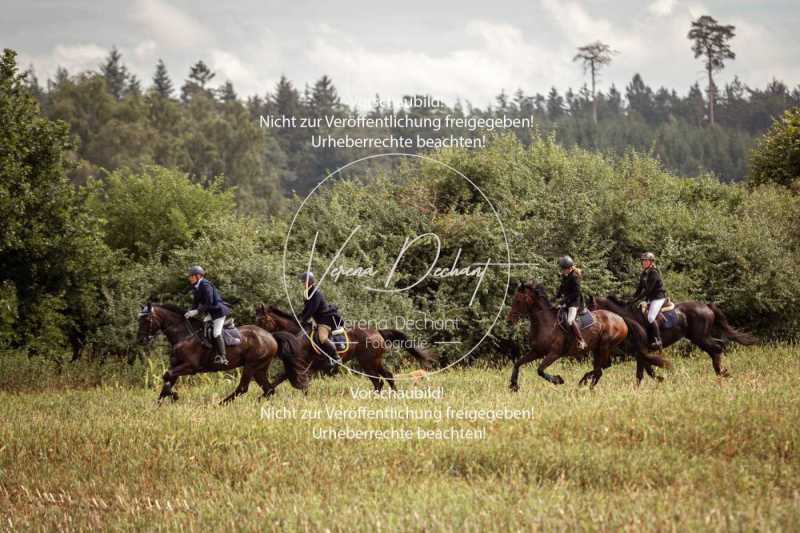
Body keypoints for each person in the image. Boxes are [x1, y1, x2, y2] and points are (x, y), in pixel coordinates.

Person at [184, 265, 231, 366]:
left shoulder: (205, 285)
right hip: (211, 313)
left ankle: (223, 357)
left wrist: (197, 311)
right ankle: (210, 351)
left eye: (191, 276)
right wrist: (189, 312)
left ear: (198, 276)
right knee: (203, 327)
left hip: (218, 312)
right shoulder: (196, 287)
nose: (189, 278)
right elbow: (195, 303)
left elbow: (209, 302)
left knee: (216, 333)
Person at [298, 271, 343, 370]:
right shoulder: (309, 292)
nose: (303, 284)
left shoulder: (316, 293)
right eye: (302, 282)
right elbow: (307, 309)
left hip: (325, 320)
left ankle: (336, 357)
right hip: (317, 320)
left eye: (304, 282)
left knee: (322, 338)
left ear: (310, 281)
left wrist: (303, 319)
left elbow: (312, 309)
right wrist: (299, 317)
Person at [631, 252, 667, 350]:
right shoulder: (644, 273)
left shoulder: (654, 272)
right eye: (643, 261)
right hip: (651, 298)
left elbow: (648, 290)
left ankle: (658, 340)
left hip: (658, 297)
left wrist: (638, 299)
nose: (644, 262)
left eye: (646, 260)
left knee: (650, 317)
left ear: (651, 262)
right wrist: (631, 298)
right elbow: (639, 288)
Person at [554, 256, 587, 350]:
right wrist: (556, 297)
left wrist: (563, 301)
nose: (562, 271)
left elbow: (576, 293)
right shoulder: (566, 275)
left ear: (569, 268)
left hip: (575, 302)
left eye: (563, 269)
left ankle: (581, 341)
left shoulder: (575, 277)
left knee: (570, 321)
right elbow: (561, 288)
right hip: (568, 301)